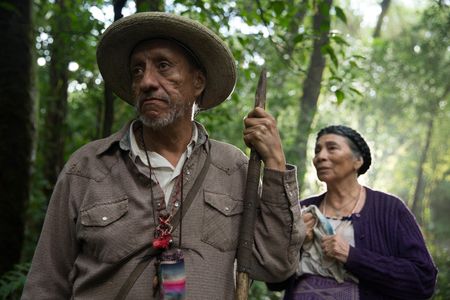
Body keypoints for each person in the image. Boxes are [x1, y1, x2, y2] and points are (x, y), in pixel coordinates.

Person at [22, 12, 304, 299]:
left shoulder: (232, 168)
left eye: (164, 66)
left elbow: (276, 265)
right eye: (137, 71)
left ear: (198, 82)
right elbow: (45, 284)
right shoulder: (86, 168)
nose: (147, 81)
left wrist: (275, 165)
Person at [268, 125, 437, 299]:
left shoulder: (390, 209)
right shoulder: (302, 210)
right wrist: (295, 243)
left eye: (332, 148)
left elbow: (423, 280)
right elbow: (274, 282)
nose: (320, 156)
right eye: (317, 151)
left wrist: (352, 255)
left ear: (358, 161)